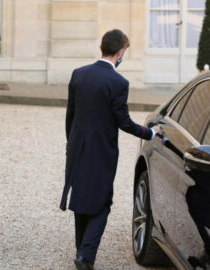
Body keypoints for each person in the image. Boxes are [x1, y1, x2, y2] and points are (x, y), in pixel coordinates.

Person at [60, 29, 159, 270]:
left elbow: (70, 116)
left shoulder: (79, 74)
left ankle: (81, 249)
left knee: (82, 197)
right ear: (121, 52)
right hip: (102, 151)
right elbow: (123, 122)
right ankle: (85, 256)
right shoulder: (118, 82)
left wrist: (71, 143)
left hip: (77, 147)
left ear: (101, 47)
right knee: (103, 202)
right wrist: (150, 133)